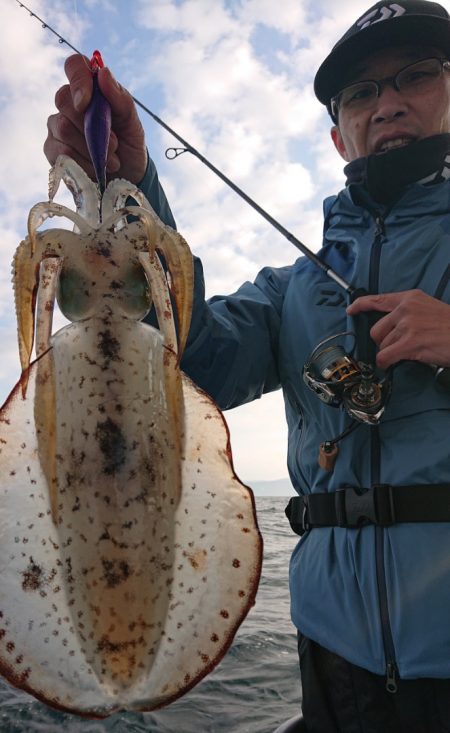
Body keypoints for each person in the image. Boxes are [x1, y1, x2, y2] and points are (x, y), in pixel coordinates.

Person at [44, 1, 450, 730]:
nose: (386, 103)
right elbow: (189, 353)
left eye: (415, 75)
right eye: (361, 92)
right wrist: (127, 191)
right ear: (338, 135)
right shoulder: (296, 289)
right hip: (335, 654)